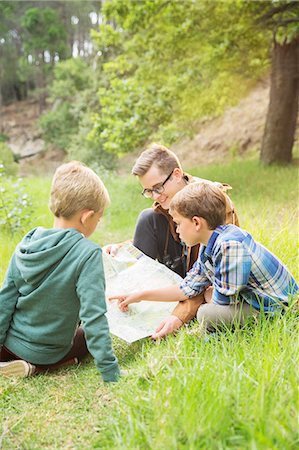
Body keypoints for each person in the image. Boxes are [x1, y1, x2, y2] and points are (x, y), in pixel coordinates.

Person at [111, 181, 298, 332]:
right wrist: (141, 295)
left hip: (277, 307)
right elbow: (187, 288)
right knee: (207, 304)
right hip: (256, 300)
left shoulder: (229, 246)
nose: (176, 230)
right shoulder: (208, 245)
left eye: (177, 223)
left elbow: (223, 303)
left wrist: (209, 293)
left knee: (206, 314)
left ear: (196, 223)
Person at [0, 161, 120, 381]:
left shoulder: (26, 243)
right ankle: (42, 366)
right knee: (84, 337)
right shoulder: (88, 253)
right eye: (98, 218)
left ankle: (9, 361)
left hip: (10, 344)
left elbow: (5, 302)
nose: (97, 222)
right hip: (47, 352)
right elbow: (93, 317)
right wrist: (110, 372)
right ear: (86, 216)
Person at [108, 144, 239, 338]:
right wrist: (121, 249)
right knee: (147, 218)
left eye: (158, 187)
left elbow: (210, 277)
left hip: (205, 280)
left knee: (208, 298)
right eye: (148, 191)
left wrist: (179, 317)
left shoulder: (212, 202)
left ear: (177, 174)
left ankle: (172, 309)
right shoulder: (166, 203)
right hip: (183, 274)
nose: (156, 196)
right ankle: (130, 300)